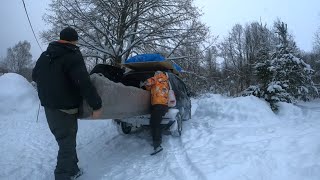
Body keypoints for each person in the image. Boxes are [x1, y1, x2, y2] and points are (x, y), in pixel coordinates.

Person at [32, 27, 102, 179]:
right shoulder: (72, 55)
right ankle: (62, 175)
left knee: (67, 142)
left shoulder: (45, 55)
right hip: (65, 110)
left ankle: (74, 170)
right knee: (66, 145)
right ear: (73, 40)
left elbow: (34, 76)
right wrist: (96, 105)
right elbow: (84, 83)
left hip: (49, 108)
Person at [143, 71, 169, 155]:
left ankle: (157, 145)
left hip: (158, 105)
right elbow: (150, 88)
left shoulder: (156, 78)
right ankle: (157, 141)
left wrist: (143, 83)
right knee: (156, 123)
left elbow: (148, 83)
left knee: (155, 124)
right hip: (163, 105)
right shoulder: (165, 82)